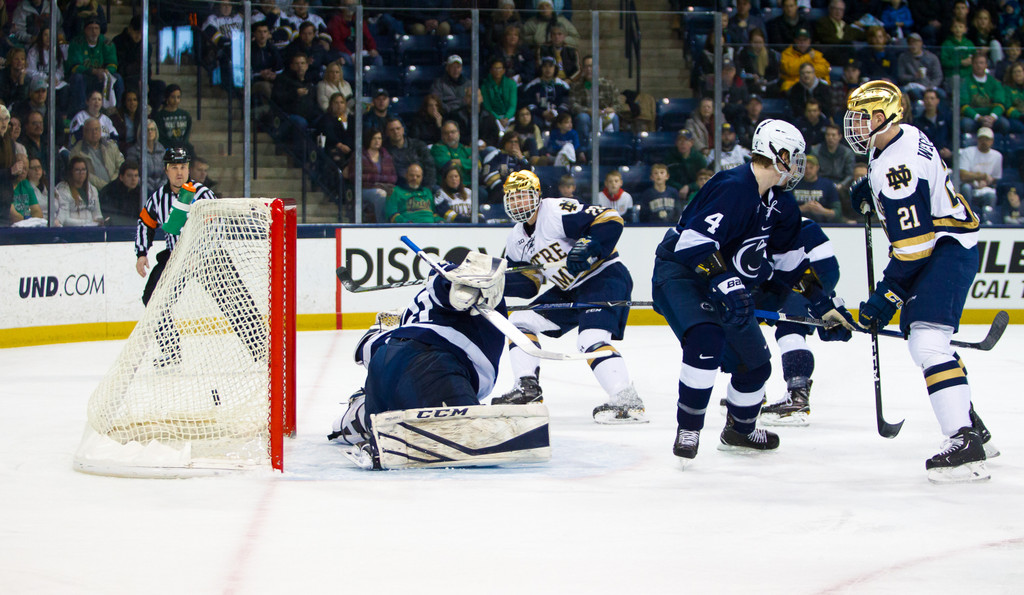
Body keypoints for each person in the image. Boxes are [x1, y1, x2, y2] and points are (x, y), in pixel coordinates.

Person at [652, 119, 854, 466]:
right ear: (780, 154)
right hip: (682, 273)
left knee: (755, 366)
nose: (799, 165)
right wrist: (728, 283)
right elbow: (693, 244)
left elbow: (792, 266)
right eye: (796, 156)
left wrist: (823, 305)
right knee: (706, 339)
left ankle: (740, 430)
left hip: (724, 281)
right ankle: (689, 428)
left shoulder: (783, 204)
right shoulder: (733, 187)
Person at [844, 80, 995, 482]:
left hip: (944, 249)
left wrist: (885, 297)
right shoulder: (899, 138)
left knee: (927, 341)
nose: (855, 126)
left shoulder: (898, 166)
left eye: (862, 118)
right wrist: (873, 198)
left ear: (882, 117)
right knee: (925, 343)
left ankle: (964, 441)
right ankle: (972, 426)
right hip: (945, 243)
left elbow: (914, 247)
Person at [494, 170, 648, 424]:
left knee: (590, 338)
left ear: (537, 195)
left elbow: (609, 218)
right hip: (570, 289)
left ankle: (625, 399)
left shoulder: (555, 212)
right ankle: (527, 388)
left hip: (604, 277)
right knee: (519, 322)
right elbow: (529, 284)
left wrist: (589, 244)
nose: (518, 203)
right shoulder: (515, 240)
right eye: (512, 198)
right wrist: (492, 284)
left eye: (523, 196)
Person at [330, 251, 509, 468]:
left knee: (376, 421)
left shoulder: (411, 315)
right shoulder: (453, 291)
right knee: (471, 439)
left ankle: (372, 433)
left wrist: (380, 333)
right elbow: (444, 285)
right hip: (434, 367)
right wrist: (454, 278)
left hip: (384, 367)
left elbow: (364, 351)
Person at [757, 219, 842, 425]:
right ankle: (755, 390)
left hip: (805, 265)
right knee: (784, 323)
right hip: (819, 264)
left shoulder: (743, 222)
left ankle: (796, 398)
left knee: (788, 329)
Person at [134, 148, 217, 306]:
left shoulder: (203, 194)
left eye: (183, 167)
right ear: (166, 170)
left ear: (188, 168)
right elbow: (145, 223)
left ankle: (252, 329)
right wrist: (141, 253)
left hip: (208, 259)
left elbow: (216, 228)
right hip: (176, 258)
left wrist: (199, 254)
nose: (179, 172)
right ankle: (168, 331)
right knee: (153, 300)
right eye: (174, 167)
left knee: (236, 301)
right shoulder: (159, 198)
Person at [65, 18, 120, 113]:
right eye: (90, 28)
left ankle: (115, 110)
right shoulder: (77, 43)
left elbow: (113, 64)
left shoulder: (107, 43)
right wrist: (94, 71)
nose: (94, 31)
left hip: (102, 77)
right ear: (85, 30)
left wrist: (105, 72)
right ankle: (80, 111)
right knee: (77, 78)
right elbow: (74, 66)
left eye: (96, 28)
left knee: (117, 78)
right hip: (85, 77)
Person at [343, 128, 396, 223]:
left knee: (398, 194)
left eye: (379, 138)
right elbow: (353, 176)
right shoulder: (359, 155)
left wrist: (375, 178)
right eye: (374, 138)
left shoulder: (386, 155)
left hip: (385, 187)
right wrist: (378, 179)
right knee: (381, 195)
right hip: (365, 189)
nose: (377, 141)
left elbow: (393, 178)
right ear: (368, 140)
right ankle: (383, 224)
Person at [958, 126, 1003, 224]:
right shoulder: (968, 152)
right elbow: (963, 175)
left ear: (992, 141)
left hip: (985, 187)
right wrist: (982, 176)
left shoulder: (997, 156)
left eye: (987, 139)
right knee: (965, 188)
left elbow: (996, 178)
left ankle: (989, 220)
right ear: (977, 140)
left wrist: (987, 181)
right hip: (969, 185)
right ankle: (966, 218)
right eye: (981, 139)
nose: (984, 141)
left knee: (991, 195)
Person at [960, 53, 1010, 135]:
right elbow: (964, 106)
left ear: (986, 65)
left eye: (981, 63)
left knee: (1004, 124)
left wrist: (992, 117)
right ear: (972, 64)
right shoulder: (965, 82)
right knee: (966, 124)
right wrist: (979, 118)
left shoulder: (994, 82)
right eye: (976, 63)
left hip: (991, 118)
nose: (979, 66)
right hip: (973, 117)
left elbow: (1000, 104)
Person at [69, 117, 124, 191]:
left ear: (101, 131)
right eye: (91, 130)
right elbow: (83, 175)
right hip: (92, 191)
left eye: (96, 129)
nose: (94, 132)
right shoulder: (77, 151)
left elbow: (121, 166)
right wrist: (106, 187)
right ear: (84, 132)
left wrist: (113, 183)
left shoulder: (111, 146)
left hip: (115, 188)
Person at [384, 118, 435, 189]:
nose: (395, 132)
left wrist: (428, 188)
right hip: (398, 187)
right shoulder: (384, 150)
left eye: (398, 128)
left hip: (421, 185)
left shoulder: (418, 145)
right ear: (387, 133)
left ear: (403, 130)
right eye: (392, 130)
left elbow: (430, 167)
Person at [55, 156, 104, 226]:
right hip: (73, 230)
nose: (81, 173)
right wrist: (88, 222)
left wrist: (99, 221)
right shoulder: (63, 189)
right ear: (71, 172)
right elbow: (64, 219)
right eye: (77, 170)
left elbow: (97, 214)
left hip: (92, 229)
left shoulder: (93, 189)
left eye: (84, 170)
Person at [780, 28, 831, 94]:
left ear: (809, 41)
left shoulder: (815, 53)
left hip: (815, 85)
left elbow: (825, 69)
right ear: (795, 41)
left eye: (805, 40)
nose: (802, 43)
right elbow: (791, 70)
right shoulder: (787, 53)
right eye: (799, 40)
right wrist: (808, 58)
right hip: (794, 84)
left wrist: (804, 71)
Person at [792, 154, 841, 222]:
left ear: (817, 167)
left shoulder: (828, 185)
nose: (808, 170)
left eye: (811, 167)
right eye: (805, 168)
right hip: (797, 225)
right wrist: (803, 208)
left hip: (824, 226)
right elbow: (784, 211)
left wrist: (822, 211)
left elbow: (838, 213)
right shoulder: (793, 184)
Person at [813, 0, 863, 66]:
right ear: (830, 9)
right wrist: (845, 42)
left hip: (844, 56)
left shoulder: (846, 26)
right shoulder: (823, 22)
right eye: (835, 9)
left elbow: (859, 34)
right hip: (829, 54)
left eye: (841, 10)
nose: (838, 12)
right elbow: (829, 39)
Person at [897, 33, 944, 101]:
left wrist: (930, 87)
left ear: (921, 43)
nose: (913, 45)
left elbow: (938, 76)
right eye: (911, 42)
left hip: (930, 86)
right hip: (913, 86)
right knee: (915, 92)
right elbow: (901, 76)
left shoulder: (932, 57)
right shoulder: (903, 57)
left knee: (942, 94)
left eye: (915, 42)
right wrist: (914, 77)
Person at [735, 29, 780, 99]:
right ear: (750, 42)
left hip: (767, 84)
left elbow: (775, 74)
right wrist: (751, 77)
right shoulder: (743, 54)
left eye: (760, 42)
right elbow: (741, 71)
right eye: (755, 42)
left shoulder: (770, 54)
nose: (758, 45)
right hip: (749, 84)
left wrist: (766, 80)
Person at [152, 85, 195, 157]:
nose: (176, 100)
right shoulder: (160, 116)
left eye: (178, 97)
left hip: (183, 147)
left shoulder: (186, 115)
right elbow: (161, 136)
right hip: (166, 149)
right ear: (167, 98)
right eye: (173, 97)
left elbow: (187, 133)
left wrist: (182, 144)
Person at [125, 119, 166, 192]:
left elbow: (166, 172)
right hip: (142, 189)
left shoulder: (162, 150)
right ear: (141, 132)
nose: (150, 132)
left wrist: (162, 186)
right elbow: (133, 174)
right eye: (147, 130)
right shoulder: (134, 151)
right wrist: (146, 187)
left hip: (161, 188)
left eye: (152, 129)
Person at [811, 124, 855, 192]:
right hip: (820, 184)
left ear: (840, 137)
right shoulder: (816, 151)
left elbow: (850, 175)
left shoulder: (847, 153)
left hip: (840, 185)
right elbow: (812, 171)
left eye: (833, 135)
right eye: (828, 135)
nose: (830, 137)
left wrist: (841, 185)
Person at [665, 129, 707, 201]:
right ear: (676, 143)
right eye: (680, 140)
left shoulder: (699, 158)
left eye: (686, 140)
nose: (683, 143)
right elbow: (667, 178)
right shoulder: (669, 157)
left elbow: (704, 177)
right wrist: (680, 188)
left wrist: (689, 187)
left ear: (692, 142)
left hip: (695, 191)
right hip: (674, 192)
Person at [318, 91, 354, 172]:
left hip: (350, 149)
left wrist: (349, 147)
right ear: (331, 104)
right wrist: (340, 145)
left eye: (341, 102)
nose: (339, 105)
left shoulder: (351, 119)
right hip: (333, 148)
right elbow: (328, 133)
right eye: (336, 102)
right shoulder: (326, 119)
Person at [481, 58, 518, 135]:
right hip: (493, 117)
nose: (497, 71)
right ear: (491, 70)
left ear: (504, 70)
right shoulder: (485, 86)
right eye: (495, 68)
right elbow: (487, 107)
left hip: (509, 117)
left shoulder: (511, 84)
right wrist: (498, 118)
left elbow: (512, 105)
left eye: (499, 68)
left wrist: (506, 118)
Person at [98, 160, 141, 225]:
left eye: (136, 175)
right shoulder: (109, 192)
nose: (133, 179)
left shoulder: (141, 192)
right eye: (129, 176)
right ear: (121, 177)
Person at [917, 88, 954, 162]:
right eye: (927, 99)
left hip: (947, 157)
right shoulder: (918, 122)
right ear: (923, 101)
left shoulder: (946, 118)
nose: (929, 101)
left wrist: (950, 150)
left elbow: (954, 135)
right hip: (928, 158)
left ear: (938, 101)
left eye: (932, 98)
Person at [10, 154, 44, 224]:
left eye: (26, 169)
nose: (24, 171)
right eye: (22, 168)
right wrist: (27, 221)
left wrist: (29, 222)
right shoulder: (5, 186)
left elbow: (37, 212)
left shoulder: (26, 184)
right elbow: (12, 215)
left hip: (27, 226)